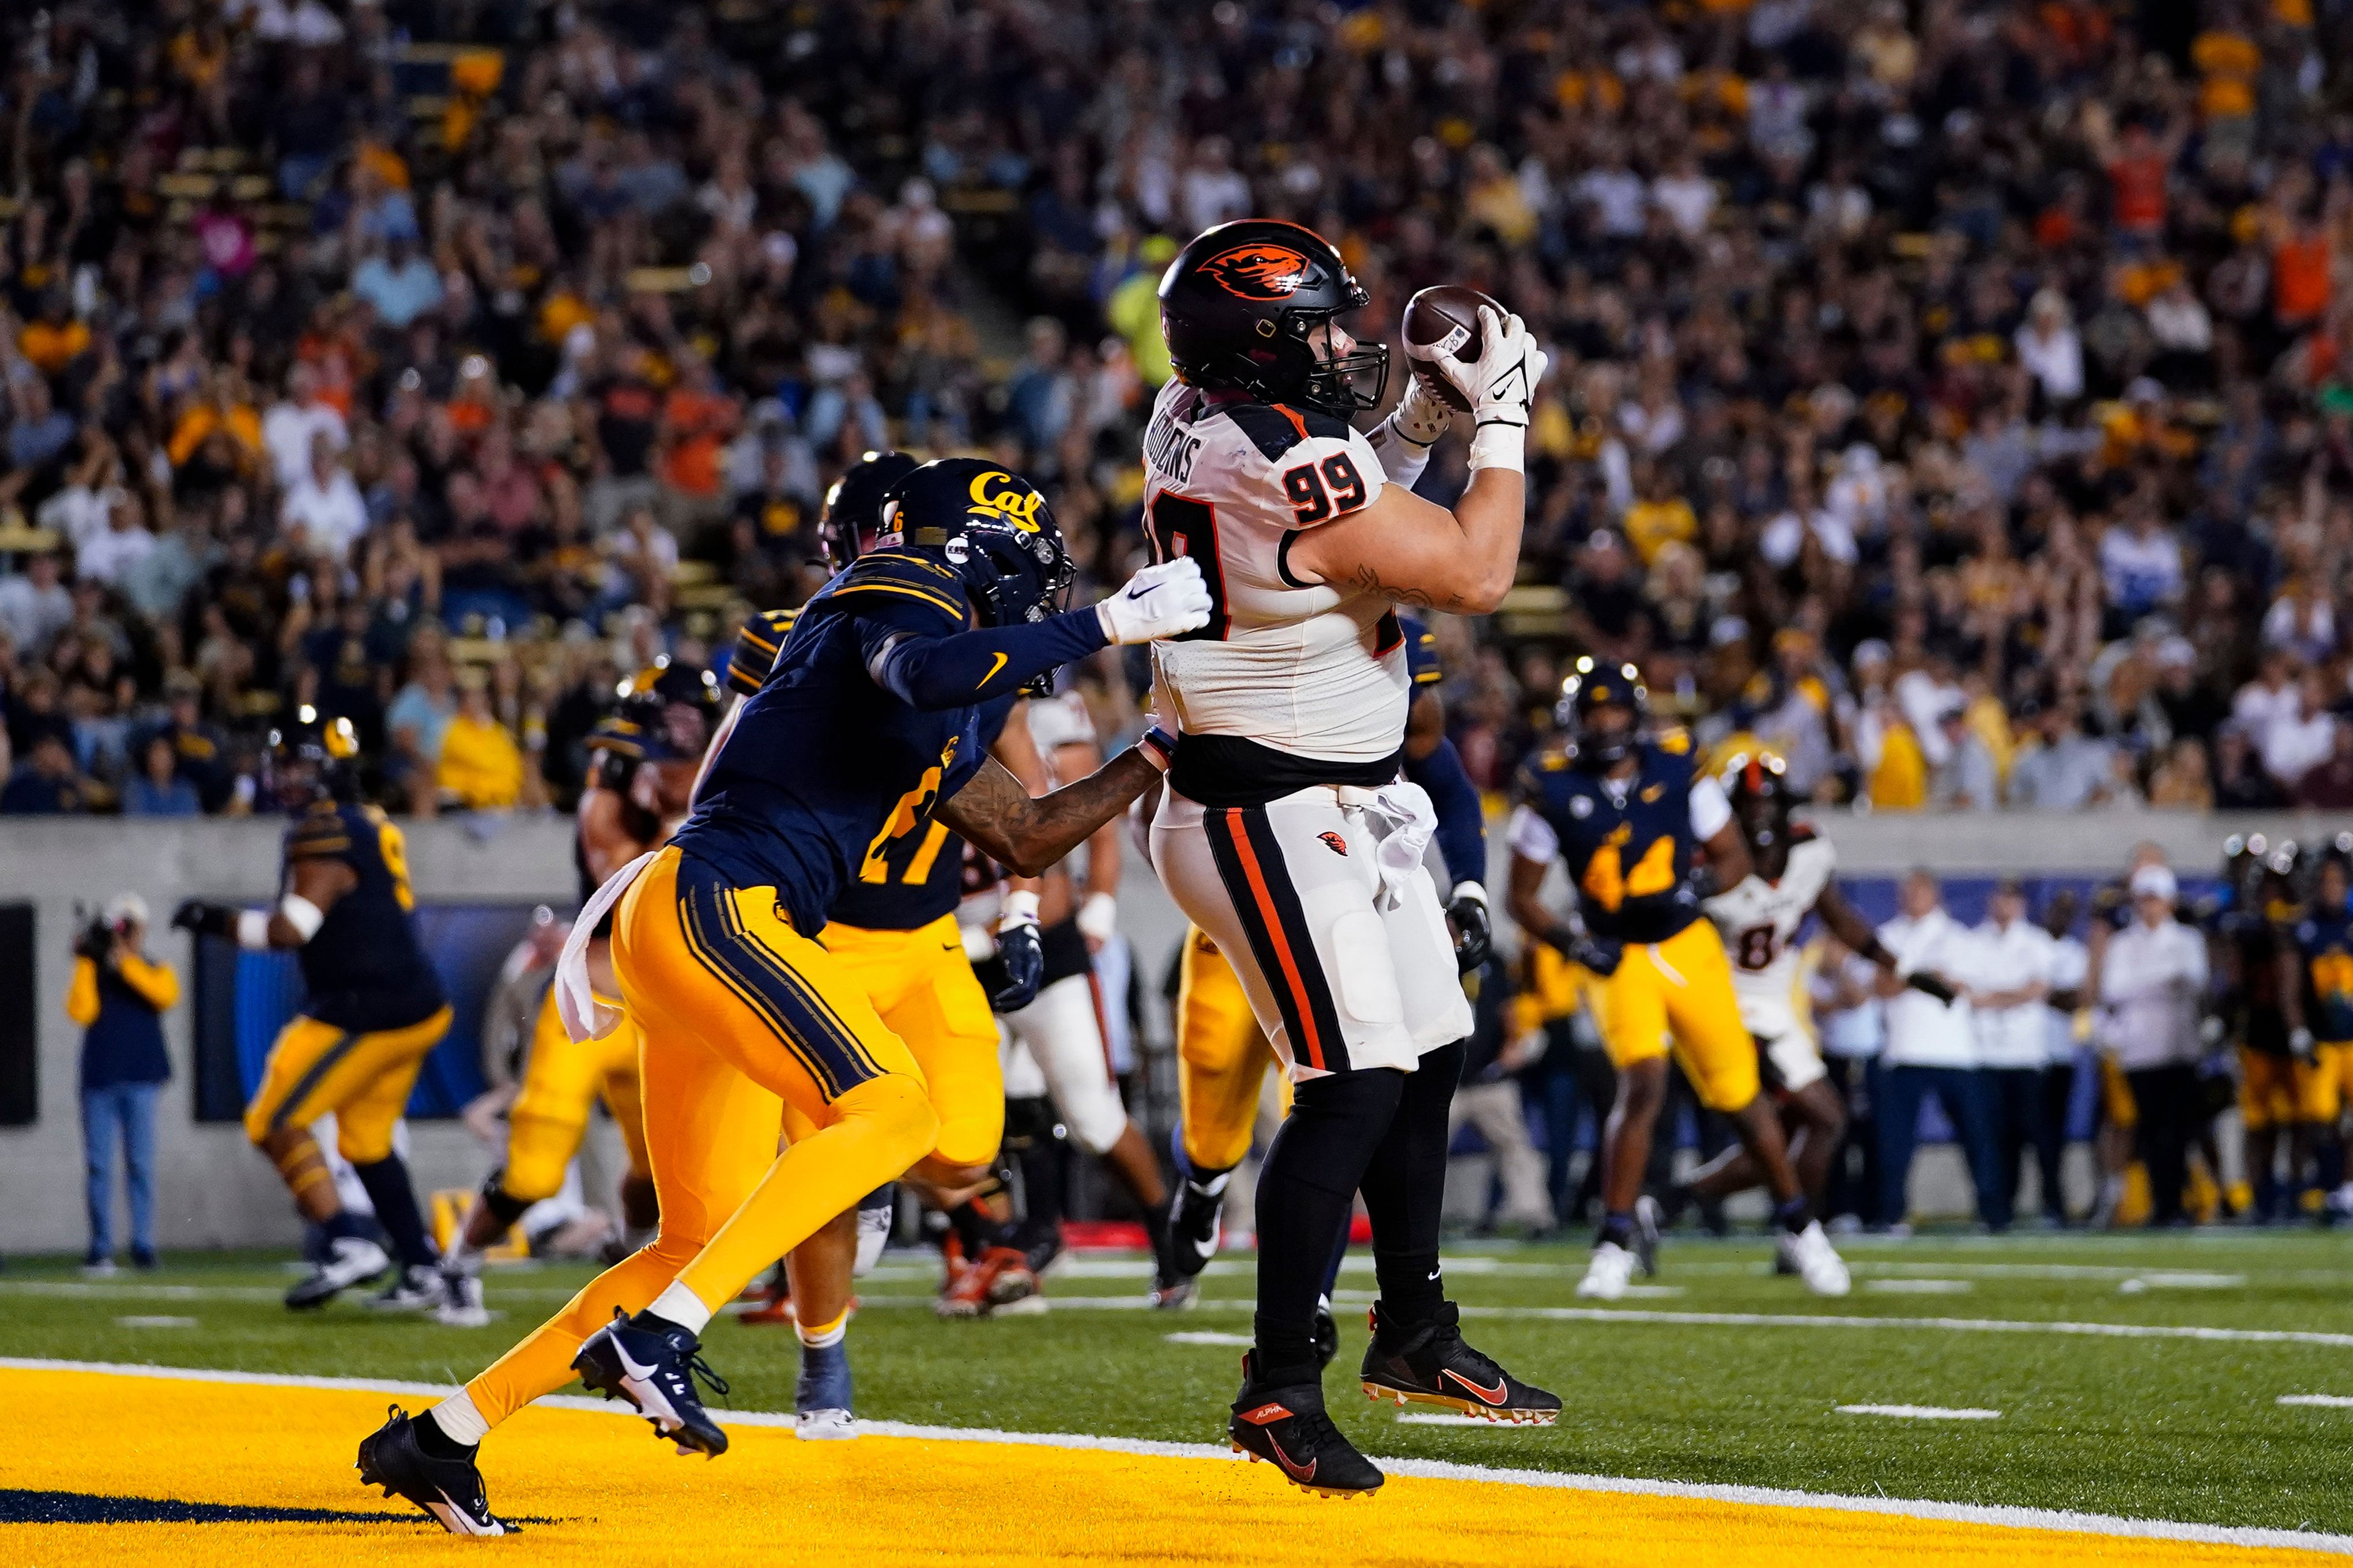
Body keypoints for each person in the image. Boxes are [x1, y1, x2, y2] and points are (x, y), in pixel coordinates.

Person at [356, 459, 1208, 1533]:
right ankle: (664, 1336)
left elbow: (1023, 831)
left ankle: (444, 1434)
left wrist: (1164, 749)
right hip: (722, 902)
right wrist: (1106, 626)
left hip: (697, 926)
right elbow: (920, 669)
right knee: (895, 1108)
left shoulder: (944, 677)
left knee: (684, 1242)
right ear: (986, 547)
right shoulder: (897, 585)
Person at [1144, 218, 1558, 1498]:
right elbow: (1476, 571)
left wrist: (1412, 434)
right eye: (1319, 328)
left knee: (1430, 1047)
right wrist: (1499, 420)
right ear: (1259, 344)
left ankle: (1416, 1331)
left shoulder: (1203, 414)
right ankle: (1277, 1383)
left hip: (1328, 793)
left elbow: (1341, 495)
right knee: (1351, 1082)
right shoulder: (1277, 455)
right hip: (1261, 806)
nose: (1345, 347)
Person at [721, 453, 1042, 1434]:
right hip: (813, 937)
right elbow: (728, 767)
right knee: (816, 1152)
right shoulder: (801, 635)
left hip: (925, 934)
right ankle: (823, 1358)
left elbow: (1021, 797)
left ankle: (872, 1170)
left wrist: (1021, 910)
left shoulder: (971, 642)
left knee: (963, 1151)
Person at [1157, 614, 1495, 1314]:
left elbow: (1450, 783)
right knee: (1215, 1111)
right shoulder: (1261, 663)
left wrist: (1467, 887)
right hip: (1244, 896)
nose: (1406, 699)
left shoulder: (1402, 698)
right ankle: (1203, 1188)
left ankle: (1311, 1301)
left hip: (1342, 899)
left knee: (1340, 1096)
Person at [1510, 671, 1848, 1301]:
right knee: (1640, 1088)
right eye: (1594, 714)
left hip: (1687, 946)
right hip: (1620, 957)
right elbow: (1521, 898)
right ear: (1575, 719)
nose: (1606, 725)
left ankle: (1801, 1227)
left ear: (1634, 717)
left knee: (1742, 1097)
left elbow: (1731, 859)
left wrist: (1691, 891)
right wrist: (1577, 946)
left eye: (1615, 714)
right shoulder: (1550, 787)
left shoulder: (1676, 770)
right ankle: (1613, 1241)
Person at [435, 660, 724, 1328]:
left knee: (657, 1171)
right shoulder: (611, 791)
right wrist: (692, 817)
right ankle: (459, 1263)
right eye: (667, 717)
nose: (680, 731)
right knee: (534, 1173)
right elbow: (631, 882)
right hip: (594, 1006)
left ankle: (628, 1258)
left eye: (690, 717)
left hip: (664, 1009)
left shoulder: (715, 775)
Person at [171, 711, 453, 1309]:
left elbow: (291, 929)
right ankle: (424, 1268)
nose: (288, 776)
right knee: (368, 1143)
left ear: (333, 769)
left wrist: (210, 920)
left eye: (302, 764)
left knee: (273, 1119)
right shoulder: (366, 823)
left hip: (365, 1008)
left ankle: (352, 1244)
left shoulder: (324, 831)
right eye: (284, 764)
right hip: (412, 1002)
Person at [1685, 752, 1944, 1241]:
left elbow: (1839, 917)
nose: (1760, 816)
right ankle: (1799, 1233)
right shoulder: (1704, 869)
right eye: (1748, 805)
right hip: (1723, 1005)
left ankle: (1685, 1199)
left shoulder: (1808, 852)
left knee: (1819, 1123)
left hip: (1778, 1006)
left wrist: (1902, 968)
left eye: (1768, 804)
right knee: (1810, 1118)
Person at [1873, 870, 2002, 1233]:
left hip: (1956, 1054)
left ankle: (1993, 1214)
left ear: (1935, 894)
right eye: (1907, 890)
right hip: (1902, 1052)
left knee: (1977, 1140)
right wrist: (1929, 978)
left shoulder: (1958, 937)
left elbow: (1958, 984)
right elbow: (1881, 986)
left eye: (1920, 890)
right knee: (1895, 1144)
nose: (1913, 897)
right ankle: (1893, 1215)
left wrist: (1910, 979)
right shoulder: (1888, 935)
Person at [2088, 863, 2209, 1226]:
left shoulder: (2188, 940)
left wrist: (2145, 985)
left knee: (2181, 1131)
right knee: (2152, 1131)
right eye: (2144, 899)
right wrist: (2161, 983)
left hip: (2180, 1047)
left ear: (2169, 902)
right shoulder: (2123, 942)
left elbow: (2195, 983)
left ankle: (2178, 1201)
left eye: (2155, 899)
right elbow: (2113, 989)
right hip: (2140, 1051)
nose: (2149, 907)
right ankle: (2162, 1204)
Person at [66, 895, 177, 1273]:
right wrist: (86, 958)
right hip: (100, 1077)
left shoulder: (151, 967)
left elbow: (164, 995)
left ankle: (143, 1245)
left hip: (142, 1077)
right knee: (99, 1165)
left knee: (141, 1165)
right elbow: (82, 1011)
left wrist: (123, 959)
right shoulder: (93, 969)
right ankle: (101, 1247)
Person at [2216, 838, 2301, 1221]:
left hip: (2298, 1038)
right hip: (2258, 1035)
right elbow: (2235, 984)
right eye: (2267, 886)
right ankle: (2260, 1194)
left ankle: (2300, 1194)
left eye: (2277, 886)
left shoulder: (2305, 925)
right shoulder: (2245, 929)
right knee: (2259, 1124)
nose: (2272, 894)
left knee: (2302, 1121)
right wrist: (2223, 1020)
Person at [1971, 879, 2058, 1226]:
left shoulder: (2037, 943)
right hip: (1987, 1055)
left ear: (2021, 904)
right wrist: (2011, 996)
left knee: (2039, 1136)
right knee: (1995, 1138)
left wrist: (1992, 999)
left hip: (2027, 1056)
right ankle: (1999, 1210)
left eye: (2011, 898)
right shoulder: (1975, 940)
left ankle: (2053, 1204)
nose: (2005, 905)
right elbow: (1968, 990)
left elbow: (2037, 990)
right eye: (2000, 897)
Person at [2279, 847, 2353, 1223]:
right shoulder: (2304, 927)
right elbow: (2290, 988)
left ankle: (2349, 1189)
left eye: (2338, 881)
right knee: (2320, 1120)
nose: (2332, 889)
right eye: (2326, 882)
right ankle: (2328, 1187)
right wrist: (2298, 1031)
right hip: (2323, 1039)